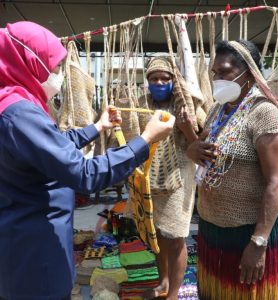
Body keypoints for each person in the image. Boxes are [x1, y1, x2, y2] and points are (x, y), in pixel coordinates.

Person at [0, 21, 175, 300]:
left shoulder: (13, 101)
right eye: (54, 68)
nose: (58, 76)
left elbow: (52, 149)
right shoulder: (19, 114)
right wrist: (144, 139)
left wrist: (97, 126)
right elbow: (83, 173)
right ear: (29, 63)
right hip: (34, 249)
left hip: (30, 238)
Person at [187, 40, 278, 300]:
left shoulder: (264, 114)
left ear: (249, 72)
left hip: (250, 232)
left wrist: (258, 243)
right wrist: (192, 151)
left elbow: (276, 183)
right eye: (215, 73)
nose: (216, 78)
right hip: (214, 227)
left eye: (224, 72)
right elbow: (200, 146)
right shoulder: (218, 110)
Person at [122, 57, 199, 300]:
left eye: (165, 78)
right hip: (149, 178)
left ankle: (173, 294)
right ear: (147, 82)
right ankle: (163, 282)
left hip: (179, 177)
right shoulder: (142, 105)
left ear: (173, 81)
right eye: (154, 79)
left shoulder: (187, 105)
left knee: (175, 237)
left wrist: (187, 127)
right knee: (156, 234)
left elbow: (200, 143)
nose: (159, 82)